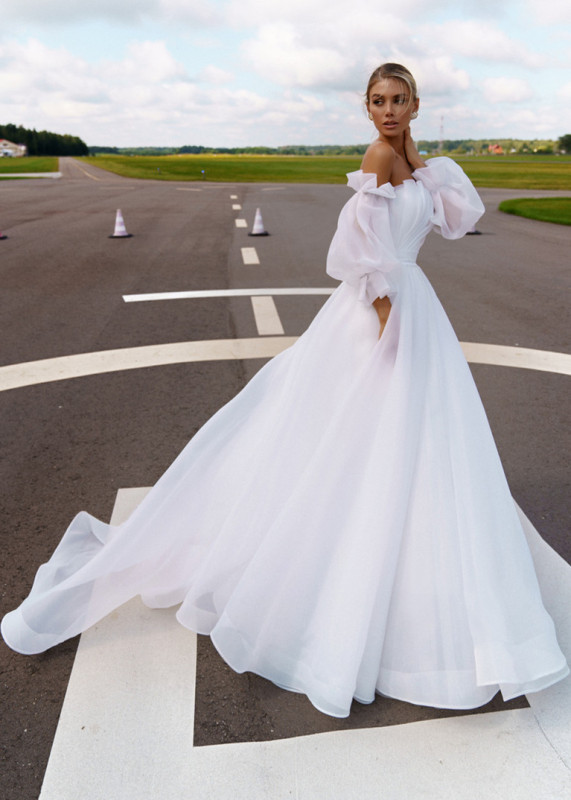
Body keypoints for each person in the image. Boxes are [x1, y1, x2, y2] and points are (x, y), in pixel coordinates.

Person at [2, 64, 568, 718]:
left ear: (415, 104)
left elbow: (445, 222)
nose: (387, 112)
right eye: (377, 101)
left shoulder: (411, 156)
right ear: (365, 107)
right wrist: (388, 324)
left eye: (398, 100)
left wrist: (427, 173)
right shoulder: (379, 155)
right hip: (384, 313)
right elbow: (364, 255)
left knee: (399, 439)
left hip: (413, 304)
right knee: (374, 434)